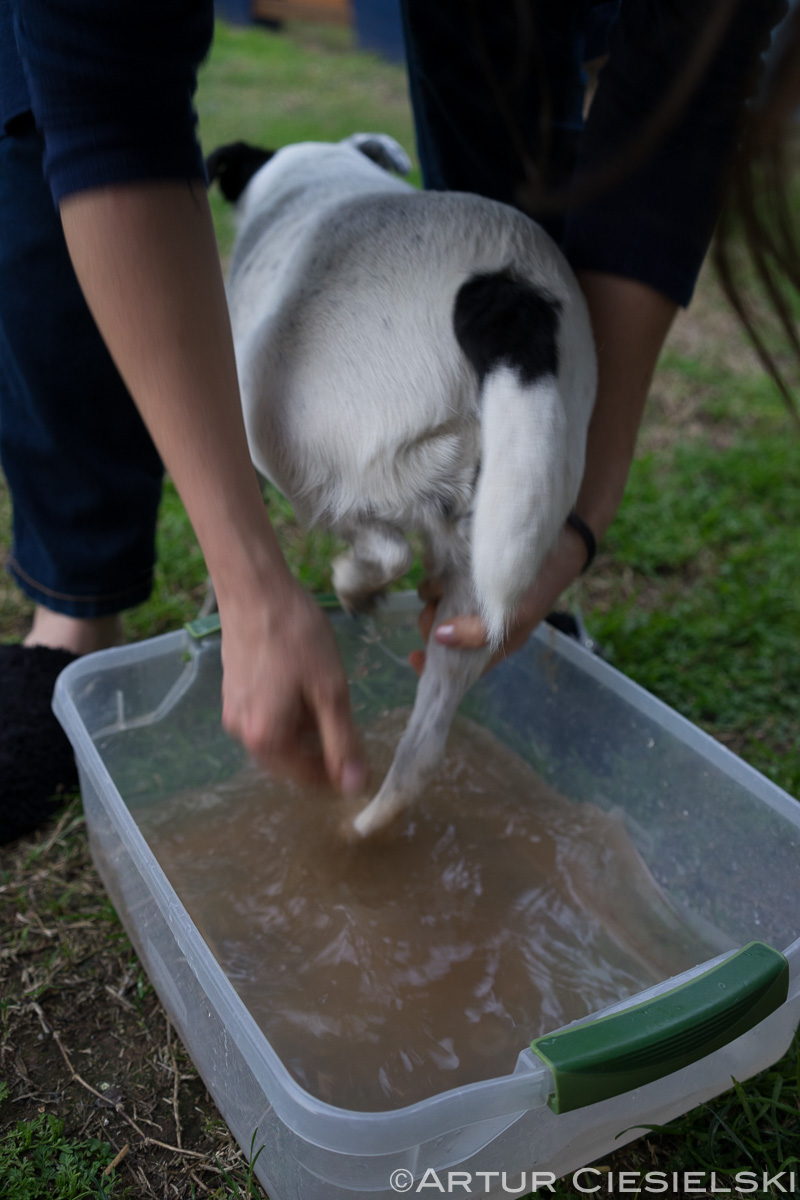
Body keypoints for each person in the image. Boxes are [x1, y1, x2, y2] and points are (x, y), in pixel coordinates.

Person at [0, 0, 794, 842]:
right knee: (29, 91)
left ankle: (505, 539)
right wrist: (245, 582)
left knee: (505, 47)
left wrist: (578, 511)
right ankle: (73, 608)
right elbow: (101, 100)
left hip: (455, 343)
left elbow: (686, 84)